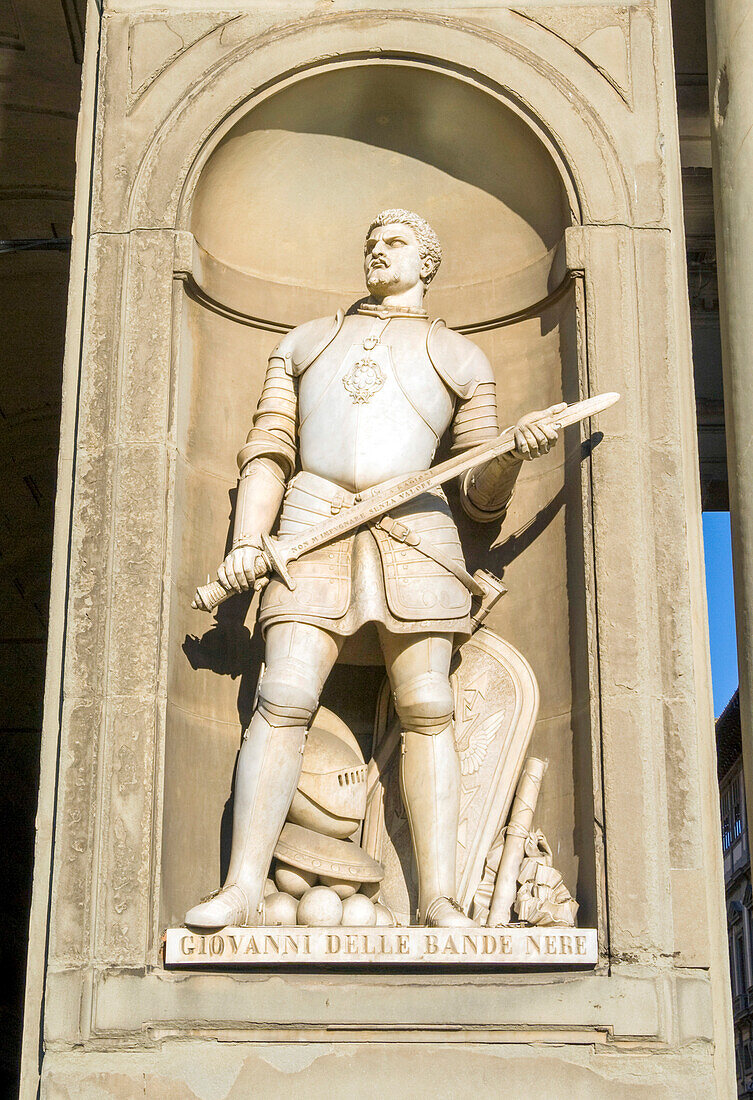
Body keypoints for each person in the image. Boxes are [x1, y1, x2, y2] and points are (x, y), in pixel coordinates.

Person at [185, 209, 561, 929]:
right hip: (310, 517)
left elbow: (478, 498)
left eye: (393, 243)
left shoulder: (459, 355)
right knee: (281, 697)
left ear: (426, 261)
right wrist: (247, 539)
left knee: (428, 710)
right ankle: (241, 884)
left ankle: (440, 898)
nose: (376, 251)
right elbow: (269, 448)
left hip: (416, 527)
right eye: (370, 243)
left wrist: (513, 453)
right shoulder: (306, 339)